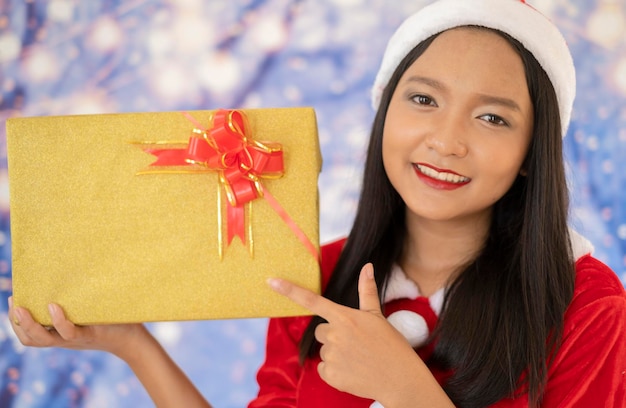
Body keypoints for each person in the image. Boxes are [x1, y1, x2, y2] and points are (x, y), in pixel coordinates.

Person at [8, 0, 626, 406]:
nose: (446, 139)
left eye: (492, 116)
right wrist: (131, 343)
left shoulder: (586, 304)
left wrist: (408, 391)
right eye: (423, 99)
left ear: (530, 152)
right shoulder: (314, 277)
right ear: (384, 112)